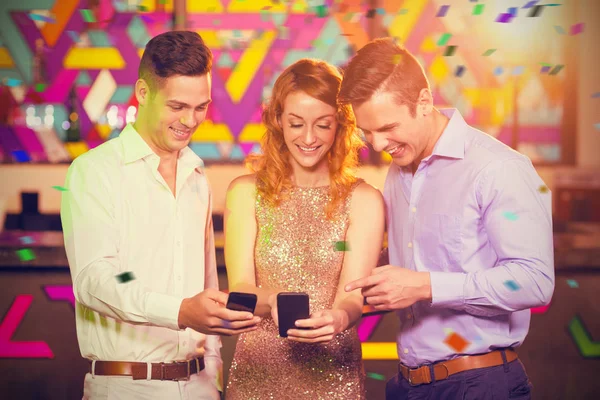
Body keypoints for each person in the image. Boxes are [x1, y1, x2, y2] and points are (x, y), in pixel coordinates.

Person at [340, 38, 555, 399]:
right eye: (367, 132)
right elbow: (421, 261)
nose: (377, 145)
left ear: (424, 101)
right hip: (407, 384)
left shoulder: (498, 168)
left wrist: (426, 286)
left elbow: (534, 281)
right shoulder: (400, 168)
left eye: (388, 127)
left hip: (479, 385)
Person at [60, 31, 260, 400]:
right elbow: (94, 280)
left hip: (200, 384)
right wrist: (180, 311)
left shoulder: (197, 175)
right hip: (125, 386)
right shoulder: (94, 170)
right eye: (177, 106)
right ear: (142, 92)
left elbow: (206, 283)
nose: (190, 120)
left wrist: (213, 373)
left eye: (201, 107)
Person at [224, 58, 385, 399]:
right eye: (296, 123)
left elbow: (352, 297)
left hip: (333, 377)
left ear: (340, 125)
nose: (309, 138)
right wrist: (272, 301)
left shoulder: (364, 200)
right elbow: (239, 288)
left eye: (323, 125)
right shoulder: (245, 192)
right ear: (278, 120)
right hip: (258, 374)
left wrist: (339, 318)